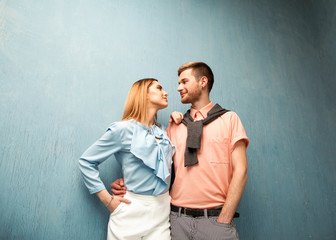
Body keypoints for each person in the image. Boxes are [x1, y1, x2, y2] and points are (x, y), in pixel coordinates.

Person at [112, 62, 249, 240]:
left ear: (203, 82)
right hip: (176, 221)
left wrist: (224, 218)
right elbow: (158, 168)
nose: (178, 88)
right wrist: (127, 183)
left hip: (216, 221)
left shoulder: (230, 119)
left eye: (184, 82)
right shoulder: (174, 126)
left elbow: (241, 171)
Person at [79, 78, 175, 240]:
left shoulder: (163, 133)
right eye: (159, 88)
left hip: (163, 212)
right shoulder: (122, 130)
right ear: (143, 95)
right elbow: (86, 161)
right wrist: (108, 201)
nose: (165, 92)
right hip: (131, 211)